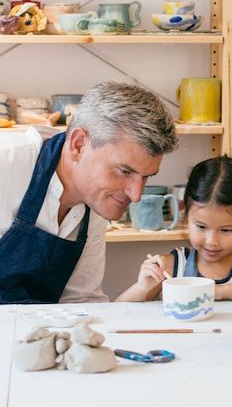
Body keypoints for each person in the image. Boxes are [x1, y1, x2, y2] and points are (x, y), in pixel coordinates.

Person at [0, 82, 178, 304]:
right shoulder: (6, 164)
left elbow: (80, 301)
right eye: (124, 171)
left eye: (147, 176)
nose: (135, 195)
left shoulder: (96, 202)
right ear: (79, 144)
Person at [117, 156, 232, 302]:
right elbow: (115, 313)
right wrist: (142, 287)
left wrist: (219, 291)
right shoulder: (171, 267)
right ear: (186, 215)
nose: (212, 241)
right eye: (201, 226)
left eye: (226, 230)